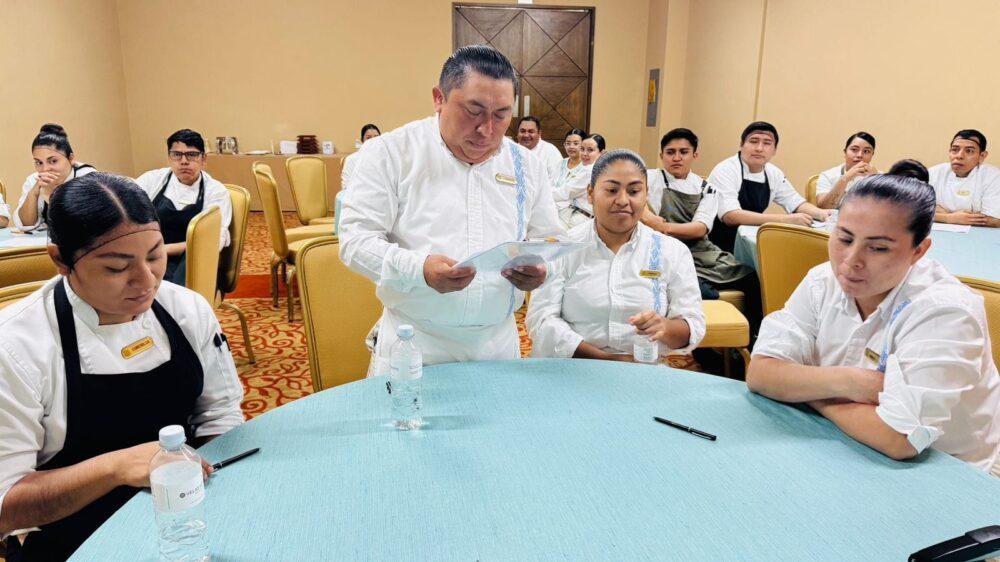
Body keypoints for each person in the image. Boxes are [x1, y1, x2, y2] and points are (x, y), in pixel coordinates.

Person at [0, 173, 244, 560]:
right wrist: (115, 467)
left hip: (186, 516)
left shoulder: (185, 309)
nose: (146, 281)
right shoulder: (16, 346)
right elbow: (6, 506)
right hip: (72, 534)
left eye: (155, 255)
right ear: (61, 259)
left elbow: (220, 414)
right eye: (117, 268)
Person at [747, 174, 1000, 473]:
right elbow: (761, 373)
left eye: (878, 248)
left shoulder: (946, 311)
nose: (851, 260)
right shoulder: (822, 281)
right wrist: (851, 383)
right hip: (843, 445)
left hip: (947, 471)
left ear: (919, 251)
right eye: (844, 238)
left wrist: (809, 391)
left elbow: (900, 439)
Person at [338, 45, 562, 376]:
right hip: (416, 341)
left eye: (501, 115)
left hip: (496, 343)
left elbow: (550, 238)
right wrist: (418, 269)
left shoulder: (526, 165)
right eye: (474, 111)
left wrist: (541, 269)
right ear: (438, 99)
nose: (487, 129)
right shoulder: (392, 153)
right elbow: (355, 242)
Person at [529, 150, 704, 361]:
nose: (622, 200)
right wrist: (605, 360)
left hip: (643, 370)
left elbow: (692, 325)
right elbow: (542, 321)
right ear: (590, 194)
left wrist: (665, 327)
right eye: (611, 190)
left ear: (646, 195)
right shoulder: (563, 249)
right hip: (573, 367)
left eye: (634, 191)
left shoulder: (672, 251)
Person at [640, 128, 761, 330]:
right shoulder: (648, 178)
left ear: (694, 155)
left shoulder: (707, 188)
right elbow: (631, 196)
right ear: (661, 156)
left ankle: (752, 337)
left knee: (751, 277)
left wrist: (661, 226)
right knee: (698, 291)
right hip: (662, 251)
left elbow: (699, 228)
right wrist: (647, 215)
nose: (676, 158)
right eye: (670, 152)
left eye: (683, 152)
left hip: (700, 252)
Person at [708, 121, 830, 252]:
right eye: (753, 141)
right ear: (741, 145)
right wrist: (785, 220)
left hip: (749, 238)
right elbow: (730, 216)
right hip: (717, 244)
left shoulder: (773, 173)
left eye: (767, 143)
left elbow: (795, 202)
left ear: (774, 150)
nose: (759, 148)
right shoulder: (726, 170)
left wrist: (823, 214)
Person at [135, 129, 233, 286]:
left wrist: (165, 250)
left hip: (193, 258)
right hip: (150, 255)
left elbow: (213, 241)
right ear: (169, 158)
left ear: (203, 159)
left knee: (175, 291)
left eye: (191, 155)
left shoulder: (216, 191)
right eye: (177, 154)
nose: (184, 161)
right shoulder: (151, 180)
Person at [14, 124, 96, 232]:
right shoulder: (34, 180)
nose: (45, 169)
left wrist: (50, 196)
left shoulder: (87, 177)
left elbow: (85, 224)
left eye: (53, 161)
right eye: (39, 163)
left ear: (71, 158)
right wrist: (33, 193)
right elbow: (26, 224)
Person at [928, 129, 1000, 227]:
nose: (959, 156)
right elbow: (914, 211)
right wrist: (950, 218)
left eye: (969, 151)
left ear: (982, 156)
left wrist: (938, 214)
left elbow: (995, 220)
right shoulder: (934, 173)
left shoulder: (993, 176)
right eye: (955, 150)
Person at [816, 132, 878, 209]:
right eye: (854, 150)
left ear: (872, 155)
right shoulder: (828, 176)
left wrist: (876, 180)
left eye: (866, 151)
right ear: (845, 152)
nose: (859, 155)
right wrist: (845, 179)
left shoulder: (880, 177)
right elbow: (824, 207)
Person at [558, 134, 605, 228]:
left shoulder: (591, 170)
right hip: (575, 214)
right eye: (582, 149)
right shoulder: (596, 168)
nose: (584, 154)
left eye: (590, 150)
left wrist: (540, 193)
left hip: (580, 219)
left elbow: (565, 192)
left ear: (602, 153)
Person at [551, 128, 587, 207]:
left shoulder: (587, 167)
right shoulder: (560, 163)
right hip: (554, 206)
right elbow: (550, 184)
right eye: (568, 143)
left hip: (575, 210)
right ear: (564, 145)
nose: (571, 147)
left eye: (576, 143)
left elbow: (569, 192)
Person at [341, 123, 381, 191]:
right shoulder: (352, 159)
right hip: (358, 195)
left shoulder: (386, 159)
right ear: (362, 140)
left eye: (376, 137)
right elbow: (346, 186)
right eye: (368, 138)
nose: (373, 140)